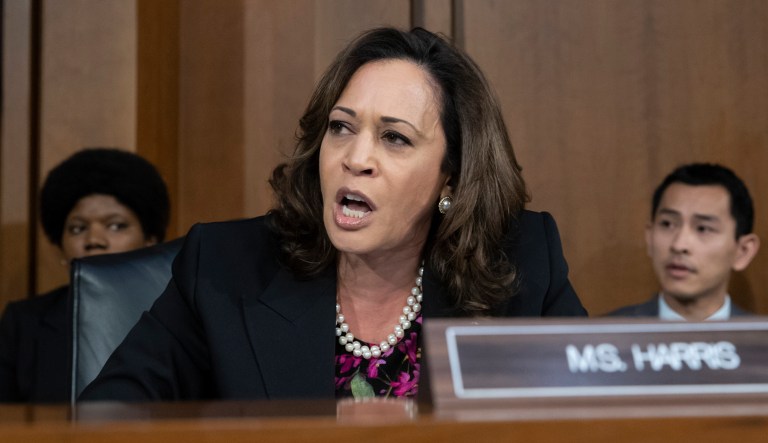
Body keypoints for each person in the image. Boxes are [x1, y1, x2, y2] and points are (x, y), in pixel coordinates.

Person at [80, 27, 586, 403]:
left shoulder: (522, 264)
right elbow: (109, 414)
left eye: (395, 138)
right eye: (342, 128)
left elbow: (601, 414)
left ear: (450, 178)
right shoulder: (223, 267)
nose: (355, 157)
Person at [0, 148, 170, 403]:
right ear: (61, 249)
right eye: (78, 228)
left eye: (116, 225)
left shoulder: (178, 320)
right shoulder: (25, 324)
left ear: (150, 243)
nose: (94, 240)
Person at [608, 163, 760, 320]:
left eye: (703, 228)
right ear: (650, 238)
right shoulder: (604, 339)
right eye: (667, 224)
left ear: (743, 251)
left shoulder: (760, 342)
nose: (679, 245)